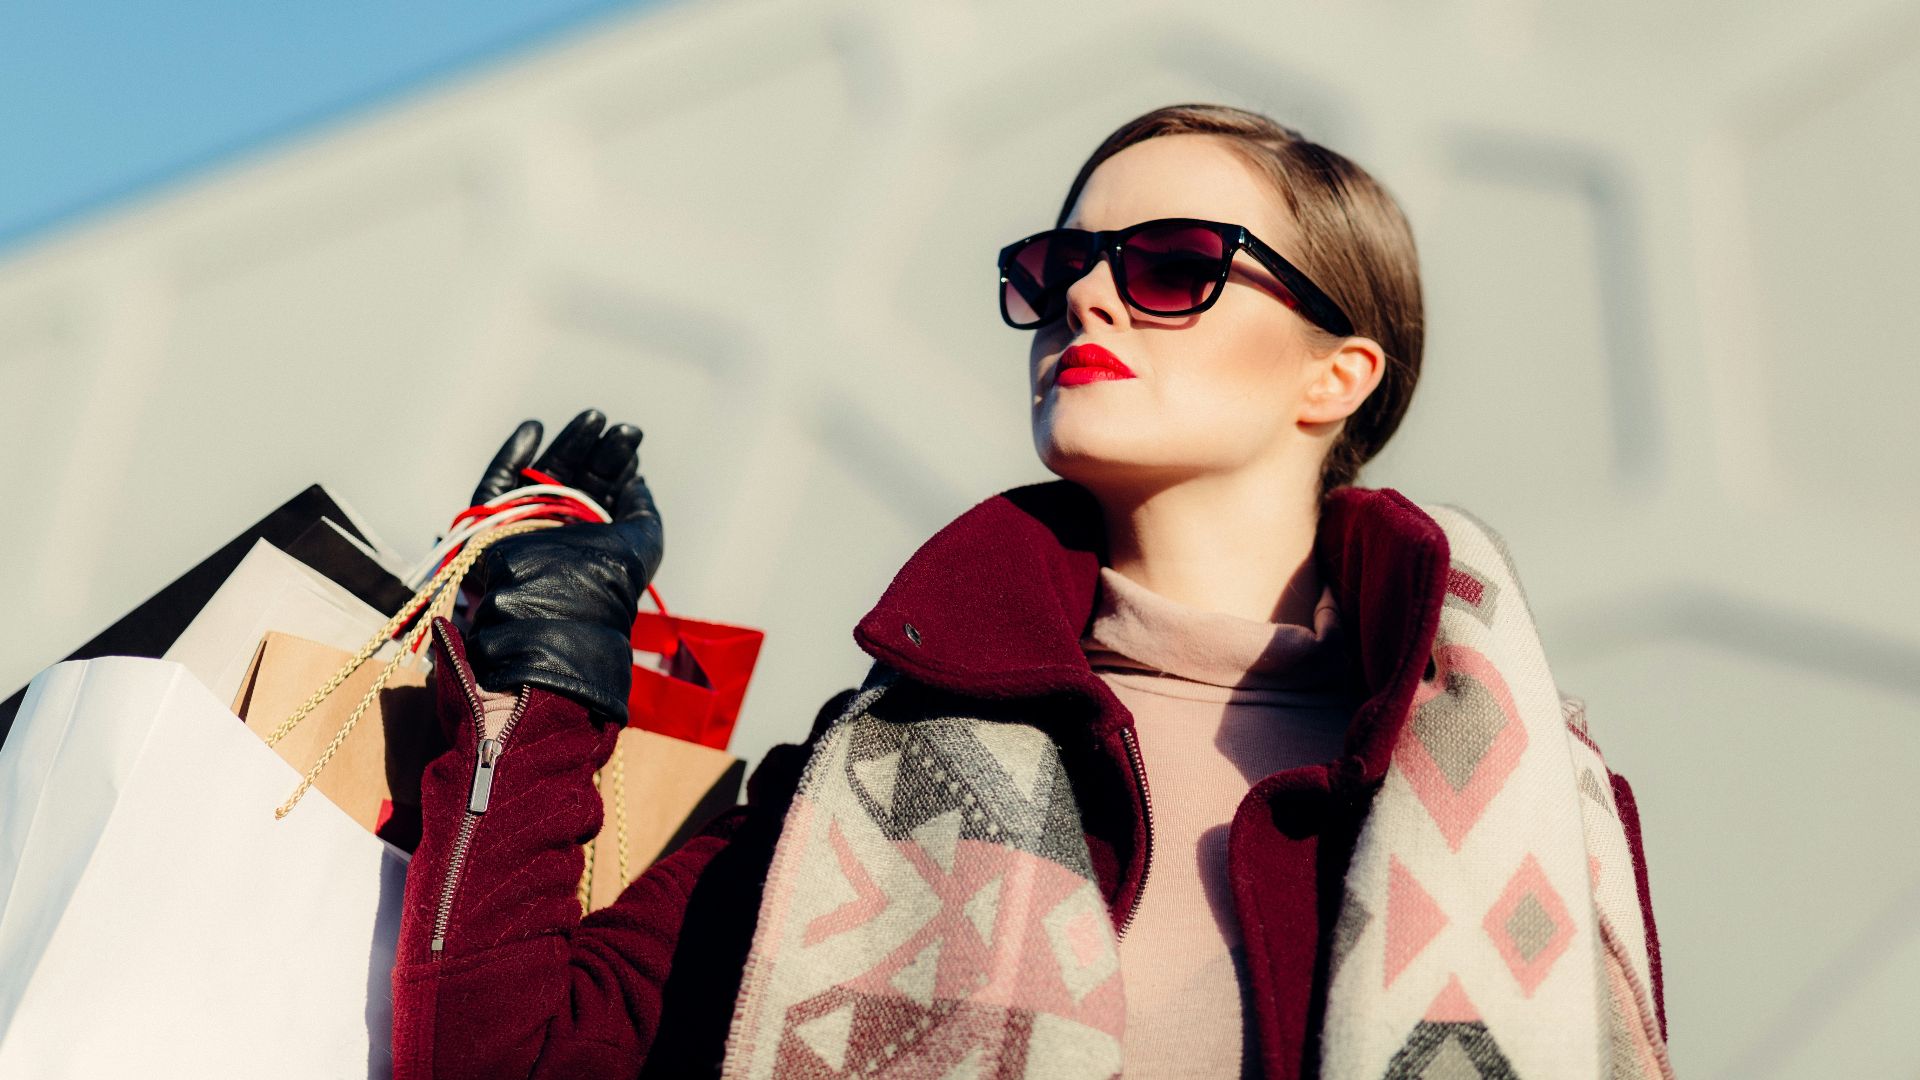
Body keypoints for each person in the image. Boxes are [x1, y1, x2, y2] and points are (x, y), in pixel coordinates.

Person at [391, 104, 1670, 1079]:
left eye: (1173, 265)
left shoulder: (1520, 800)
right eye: (1062, 266)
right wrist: (546, 673)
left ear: (1334, 376)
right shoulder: (868, 772)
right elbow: (502, 1052)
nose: (1090, 294)